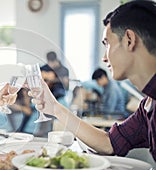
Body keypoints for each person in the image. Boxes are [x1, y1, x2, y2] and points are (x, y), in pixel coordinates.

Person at [29, 0, 156, 161]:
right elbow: (109, 143)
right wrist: (55, 108)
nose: (104, 57)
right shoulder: (147, 107)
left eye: (107, 44)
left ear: (129, 40)